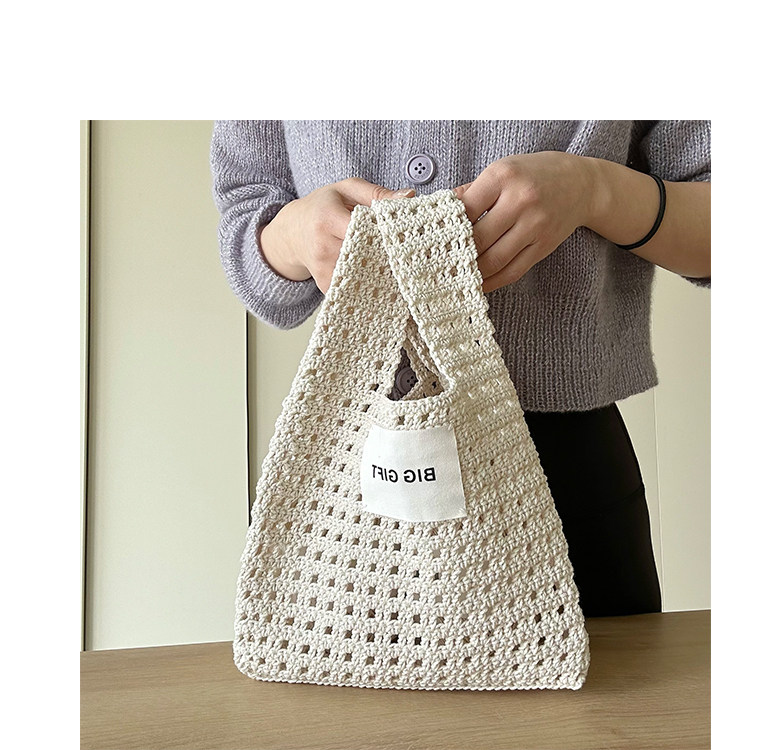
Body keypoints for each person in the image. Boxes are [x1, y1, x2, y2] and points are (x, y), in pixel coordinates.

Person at [209, 120, 711, 617]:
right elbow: (248, 231)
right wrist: (295, 236)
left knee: (604, 671)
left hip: (566, 469)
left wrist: (594, 190)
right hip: (349, 480)